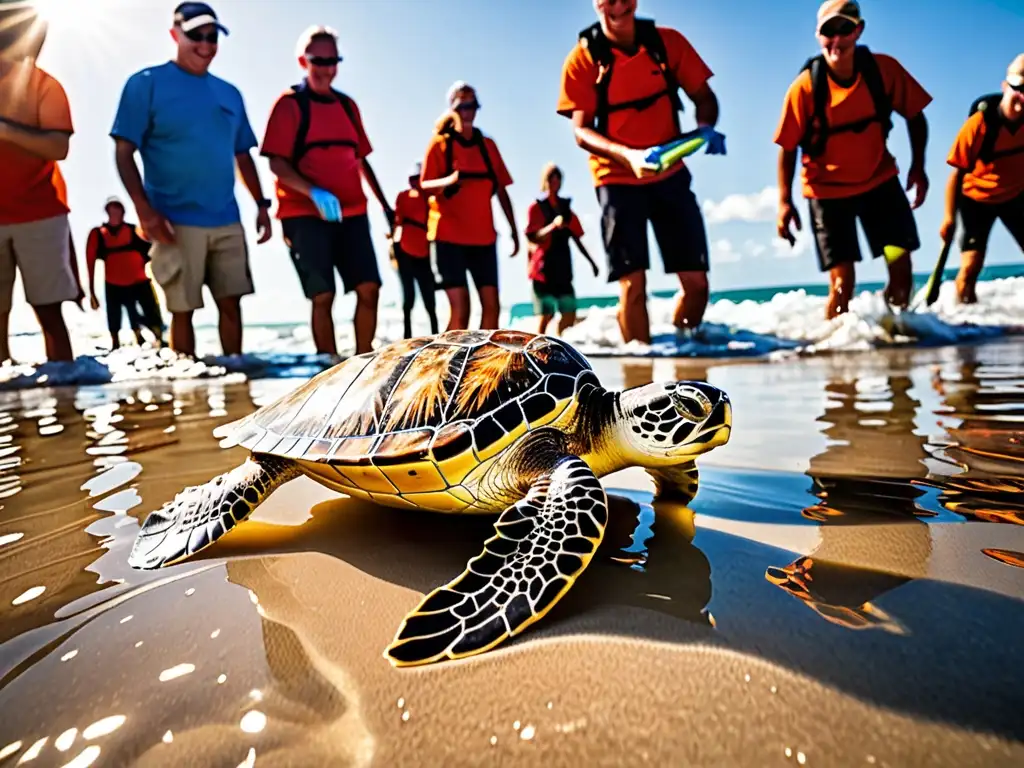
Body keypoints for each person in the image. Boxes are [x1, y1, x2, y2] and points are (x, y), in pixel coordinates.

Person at [110, 2, 272, 360]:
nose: (204, 43)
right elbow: (124, 152)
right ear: (175, 35)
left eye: (211, 36)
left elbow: (242, 155)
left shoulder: (230, 93)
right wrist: (145, 211)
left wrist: (261, 205)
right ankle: (187, 400)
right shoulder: (145, 84)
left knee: (232, 304)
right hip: (172, 221)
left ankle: (237, 387)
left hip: (227, 219)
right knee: (182, 310)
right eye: (195, 35)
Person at [557, 0, 724, 346]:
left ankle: (684, 348)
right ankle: (639, 374)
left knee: (697, 284)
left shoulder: (668, 43)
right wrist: (628, 156)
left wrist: (704, 128)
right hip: (615, 179)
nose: (618, 3)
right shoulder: (582, 60)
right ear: (596, 5)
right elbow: (581, 131)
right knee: (633, 285)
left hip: (670, 172)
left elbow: (705, 98)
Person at [774, 0, 932, 320]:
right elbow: (787, 147)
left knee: (900, 272)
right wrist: (784, 202)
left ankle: (894, 340)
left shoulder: (883, 70)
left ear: (858, 30)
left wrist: (918, 167)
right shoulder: (804, 88)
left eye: (844, 29)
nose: (837, 40)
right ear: (818, 36)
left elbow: (915, 116)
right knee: (843, 284)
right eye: (828, 32)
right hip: (827, 194)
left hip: (879, 185)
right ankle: (838, 357)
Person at [261, 25, 393, 357]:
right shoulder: (289, 104)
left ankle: (364, 361)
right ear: (303, 61)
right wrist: (313, 192)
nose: (326, 68)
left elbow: (362, 160)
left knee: (369, 288)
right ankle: (329, 367)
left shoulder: (348, 106)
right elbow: (276, 163)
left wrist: (385, 207)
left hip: (353, 213)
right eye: (319, 60)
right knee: (323, 295)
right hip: (303, 213)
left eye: (333, 60)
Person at [0, 2, 81, 364]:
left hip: (41, 214)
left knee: (49, 312)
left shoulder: (47, 85)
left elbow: (58, 146)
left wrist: (4, 129)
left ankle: (66, 405)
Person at [420, 81, 518, 331]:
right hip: (448, 237)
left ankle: (485, 366)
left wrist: (514, 232)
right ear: (452, 108)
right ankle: (449, 365)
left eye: (472, 105)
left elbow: (502, 191)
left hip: (483, 238)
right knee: (461, 307)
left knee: (492, 306)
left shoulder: (488, 146)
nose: (468, 110)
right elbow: (425, 185)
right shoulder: (440, 143)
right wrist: (449, 181)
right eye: (462, 105)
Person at [942, 53, 1024, 304]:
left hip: (1016, 196)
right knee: (971, 264)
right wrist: (949, 218)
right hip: (975, 198)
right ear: (1005, 87)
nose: (1022, 96)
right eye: (1017, 87)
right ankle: (966, 320)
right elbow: (956, 173)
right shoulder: (981, 121)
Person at [525, 163, 598, 336]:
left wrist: (592, 263)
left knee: (569, 313)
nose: (555, 181)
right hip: (542, 271)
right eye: (551, 177)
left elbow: (577, 239)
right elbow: (532, 236)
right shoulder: (536, 208)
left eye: (558, 177)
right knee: (546, 315)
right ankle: (537, 352)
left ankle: (561, 348)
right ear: (545, 180)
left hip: (563, 269)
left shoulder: (567, 211)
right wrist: (553, 226)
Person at [86, 196, 165, 350]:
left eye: (119, 209)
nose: (116, 212)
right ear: (107, 211)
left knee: (153, 316)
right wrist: (92, 293)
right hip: (113, 284)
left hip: (140, 282)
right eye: (112, 208)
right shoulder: (98, 235)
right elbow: (90, 262)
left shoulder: (135, 231)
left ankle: (160, 343)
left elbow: (155, 253)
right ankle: (117, 345)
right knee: (114, 320)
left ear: (123, 212)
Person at [390, 161, 438, 339]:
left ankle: (435, 334)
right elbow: (397, 222)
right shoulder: (404, 196)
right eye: (413, 178)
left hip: (425, 253)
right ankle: (406, 335)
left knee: (429, 296)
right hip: (404, 250)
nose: (415, 182)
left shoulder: (432, 198)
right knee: (408, 295)